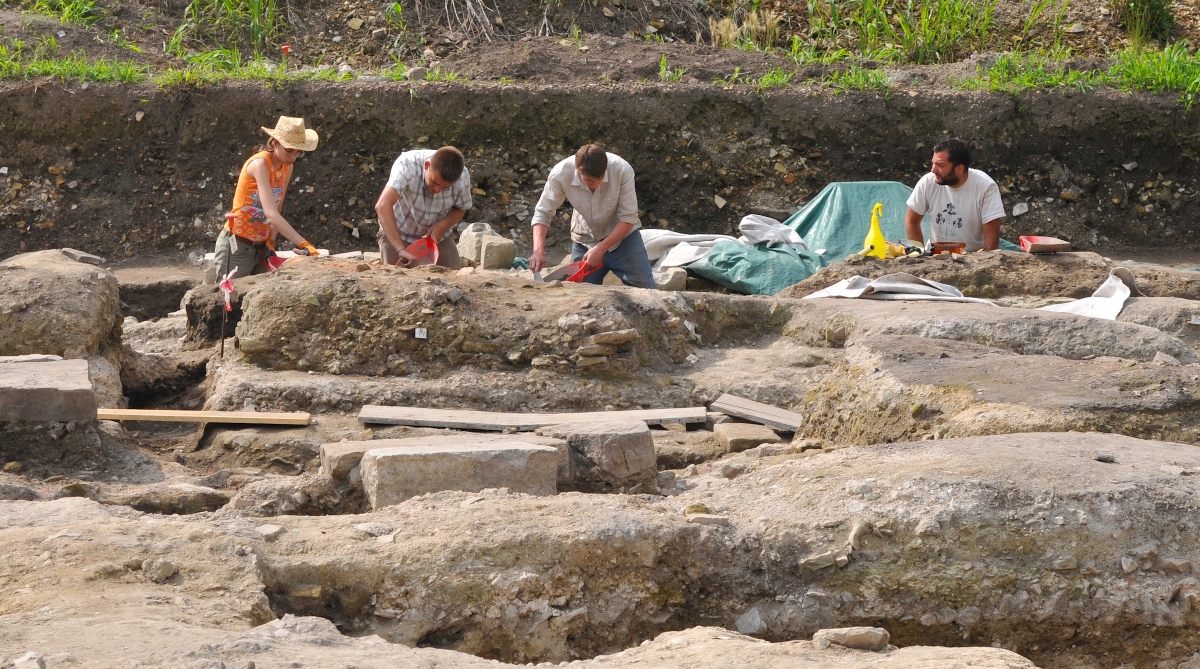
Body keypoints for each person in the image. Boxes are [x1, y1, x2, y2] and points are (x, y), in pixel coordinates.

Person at [529, 143, 655, 288]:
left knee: (647, 290)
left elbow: (629, 217)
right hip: (584, 240)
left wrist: (601, 248)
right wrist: (538, 251)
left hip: (623, 241)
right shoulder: (560, 174)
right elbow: (543, 212)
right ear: (577, 168)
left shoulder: (621, 170)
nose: (595, 185)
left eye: (600, 179)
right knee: (576, 295)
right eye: (589, 180)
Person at [214, 116, 320, 278]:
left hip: (261, 246)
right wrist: (303, 243)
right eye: (289, 150)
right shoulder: (260, 165)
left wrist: (270, 241)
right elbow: (271, 215)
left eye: (298, 152)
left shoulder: (286, 167)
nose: (293, 156)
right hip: (237, 245)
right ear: (275, 143)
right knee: (229, 297)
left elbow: (278, 205)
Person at [374, 146, 472, 269]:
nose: (438, 190)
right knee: (397, 281)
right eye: (435, 183)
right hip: (399, 232)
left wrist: (443, 225)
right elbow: (382, 205)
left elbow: (461, 208)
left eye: (445, 188)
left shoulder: (462, 176)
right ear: (426, 165)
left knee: (453, 280)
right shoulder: (407, 166)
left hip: (437, 238)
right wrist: (400, 250)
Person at [904, 138, 1005, 252]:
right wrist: (919, 253)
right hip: (935, 256)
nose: (933, 170)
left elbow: (991, 243)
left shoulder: (986, 187)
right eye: (933, 163)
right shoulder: (928, 182)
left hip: (972, 259)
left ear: (959, 169)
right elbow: (912, 221)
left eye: (940, 165)